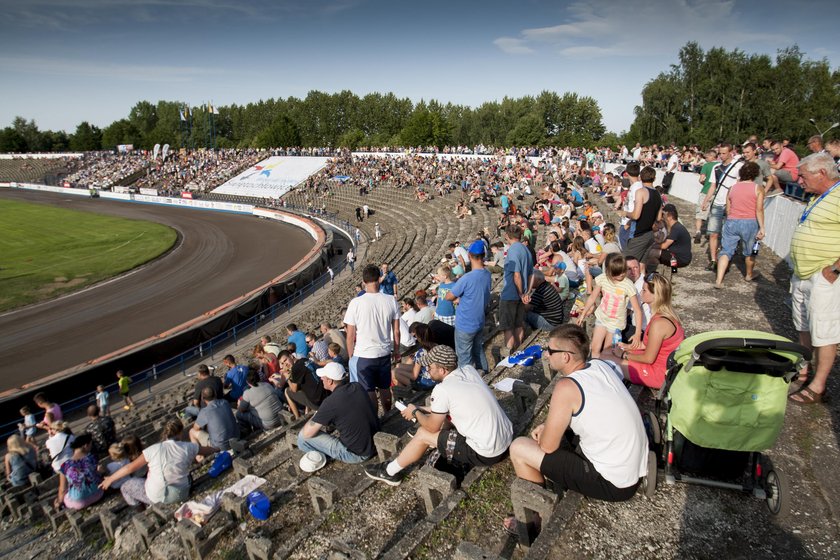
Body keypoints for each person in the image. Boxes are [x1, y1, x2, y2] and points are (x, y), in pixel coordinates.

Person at [508, 324, 647, 503]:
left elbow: (548, 447)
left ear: (565, 357)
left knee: (519, 447)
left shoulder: (566, 387)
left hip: (613, 483)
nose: (546, 354)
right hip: (633, 467)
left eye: (550, 350)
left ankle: (533, 515)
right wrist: (550, 425)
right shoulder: (599, 365)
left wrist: (547, 433)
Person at [365, 345, 513, 486]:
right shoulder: (468, 370)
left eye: (430, 367)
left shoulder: (442, 390)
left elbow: (431, 426)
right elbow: (450, 406)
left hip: (486, 453)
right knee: (441, 424)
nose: (427, 370)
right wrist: (419, 408)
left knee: (423, 433)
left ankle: (389, 472)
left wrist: (415, 413)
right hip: (506, 439)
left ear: (442, 370)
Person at [788, 152, 840, 405]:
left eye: (803, 176)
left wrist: (835, 270)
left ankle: (818, 387)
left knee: (824, 333)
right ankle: (804, 370)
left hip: (825, 277)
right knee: (804, 327)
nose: (799, 181)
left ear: (821, 173)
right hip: (804, 274)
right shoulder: (820, 197)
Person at [101, 419, 216, 506]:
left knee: (125, 486)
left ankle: (141, 509)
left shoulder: (152, 449)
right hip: (182, 493)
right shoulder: (189, 447)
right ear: (180, 433)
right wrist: (219, 447)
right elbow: (208, 450)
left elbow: (129, 468)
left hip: (157, 497)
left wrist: (110, 479)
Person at [602, 273, 686, 389]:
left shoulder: (659, 323)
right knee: (607, 353)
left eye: (644, 290)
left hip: (658, 373)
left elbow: (648, 358)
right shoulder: (666, 315)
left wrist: (623, 354)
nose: (641, 292)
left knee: (604, 359)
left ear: (656, 295)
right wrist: (627, 346)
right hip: (663, 365)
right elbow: (649, 345)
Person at [343, 264, 401, 413]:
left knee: (368, 390)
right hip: (384, 352)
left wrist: (351, 357)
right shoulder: (391, 300)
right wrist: (396, 351)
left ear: (363, 282)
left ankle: (375, 418)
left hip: (364, 355)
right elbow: (396, 331)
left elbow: (350, 335)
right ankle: (388, 413)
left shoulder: (355, 303)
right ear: (379, 279)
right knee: (384, 386)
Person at [297, 362, 378, 464]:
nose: (321, 379)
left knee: (301, 438)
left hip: (357, 454)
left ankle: (321, 459)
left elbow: (307, 434)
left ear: (330, 381)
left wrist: (318, 413)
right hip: (374, 443)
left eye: (323, 377)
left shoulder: (330, 402)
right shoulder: (357, 386)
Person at [576, 253, 643, 358]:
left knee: (608, 351)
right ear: (609, 272)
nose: (621, 276)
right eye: (617, 274)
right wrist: (583, 313)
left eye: (623, 272)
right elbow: (593, 296)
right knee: (594, 348)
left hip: (616, 322)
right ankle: (595, 366)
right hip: (602, 317)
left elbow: (637, 310)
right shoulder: (603, 278)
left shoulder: (628, 285)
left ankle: (605, 368)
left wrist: (638, 333)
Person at [715, 162, 766, 287]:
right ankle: (749, 274)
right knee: (750, 251)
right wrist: (762, 227)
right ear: (755, 174)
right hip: (750, 222)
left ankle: (719, 280)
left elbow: (728, 208)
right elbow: (759, 209)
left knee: (726, 250)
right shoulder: (758, 188)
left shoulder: (732, 188)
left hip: (732, 220)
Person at [446, 240, 492, 372]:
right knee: (478, 350)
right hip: (479, 321)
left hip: (465, 324)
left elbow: (449, 296)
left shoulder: (466, 278)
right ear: (483, 255)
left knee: (464, 358)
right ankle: (485, 374)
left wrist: (458, 298)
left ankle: (467, 382)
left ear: (470, 256)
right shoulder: (487, 274)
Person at [701, 144, 743, 270]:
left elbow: (739, 185)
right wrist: (706, 200)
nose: (721, 156)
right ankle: (714, 260)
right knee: (713, 233)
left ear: (731, 153)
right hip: (718, 203)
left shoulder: (738, 167)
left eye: (724, 153)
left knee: (727, 234)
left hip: (732, 204)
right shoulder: (716, 167)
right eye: (720, 153)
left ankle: (724, 259)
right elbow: (713, 186)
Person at [622, 166, 662, 275]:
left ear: (640, 177)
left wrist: (625, 213)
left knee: (627, 265)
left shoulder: (641, 192)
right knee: (641, 265)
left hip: (638, 234)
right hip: (650, 234)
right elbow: (658, 218)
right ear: (654, 178)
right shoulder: (658, 194)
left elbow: (635, 215)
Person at [500, 225, 534, 353]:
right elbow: (531, 274)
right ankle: (519, 350)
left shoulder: (513, 250)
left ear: (507, 236)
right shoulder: (526, 250)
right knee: (519, 324)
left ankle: (510, 354)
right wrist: (527, 292)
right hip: (522, 294)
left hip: (511, 294)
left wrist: (520, 293)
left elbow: (516, 274)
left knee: (508, 327)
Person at [54, 434, 103, 510]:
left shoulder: (65, 465)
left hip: (78, 503)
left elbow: (62, 488)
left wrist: (60, 501)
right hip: (98, 494)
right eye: (90, 445)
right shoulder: (92, 457)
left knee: (67, 490)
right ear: (86, 446)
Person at [189, 387, 240, 452]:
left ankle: (200, 458)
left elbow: (195, 428)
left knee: (191, 432)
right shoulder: (225, 402)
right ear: (215, 394)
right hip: (236, 438)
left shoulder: (205, 411)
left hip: (220, 446)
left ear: (202, 398)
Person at [646, 204, 692, 272]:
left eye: (663, 215)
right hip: (678, 255)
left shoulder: (676, 228)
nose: (662, 217)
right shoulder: (676, 226)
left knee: (650, 252)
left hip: (680, 259)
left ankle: (650, 274)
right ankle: (652, 272)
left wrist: (650, 245)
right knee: (655, 254)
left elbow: (664, 246)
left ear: (670, 217)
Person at [283, 352, 326, 419]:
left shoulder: (295, 368)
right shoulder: (304, 360)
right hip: (324, 395)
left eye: (285, 360)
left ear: (291, 356)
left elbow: (294, 389)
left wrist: (287, 378)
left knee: (287, 391)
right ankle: (307, 411)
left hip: (317, 402)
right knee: (304, 385)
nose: (285, 364)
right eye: (282, 363)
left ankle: (297, 418)